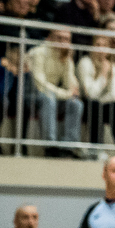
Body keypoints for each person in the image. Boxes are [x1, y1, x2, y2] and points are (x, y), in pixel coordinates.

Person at [27, 29, 85, 157]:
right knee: (48, 98)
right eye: (59, 38)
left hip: (54, 94)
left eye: (67, 39)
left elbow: (71, 85)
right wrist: (66, 94)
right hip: (32, 94)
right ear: (50, 38)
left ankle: (68, 147)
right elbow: (40, 84)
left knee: (76, 103)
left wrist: (69, 60)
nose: (63, 42)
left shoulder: (65, 55)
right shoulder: (38, 52)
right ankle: (50, 146)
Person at [80, 34, 115, 146]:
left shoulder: (112, 66)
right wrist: (103, 75)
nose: (101, 49)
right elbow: (90, 94)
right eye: (98, 45)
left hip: (102, 103)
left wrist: (101, 102)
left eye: (104, 46)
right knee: (94, 105)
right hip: (86, 105)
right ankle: (96, 148)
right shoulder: (85, 63)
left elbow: (114, 95)